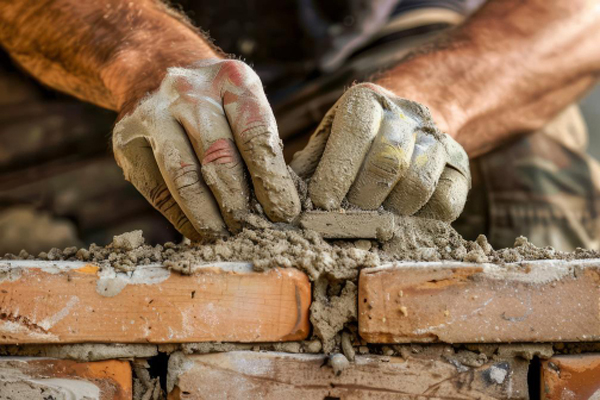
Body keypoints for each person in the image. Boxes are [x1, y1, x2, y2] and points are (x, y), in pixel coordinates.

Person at [0, 0, 598, 253]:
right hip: (77, 85)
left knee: (526, 159)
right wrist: (138, 55)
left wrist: (439, 100)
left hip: (376, 54)